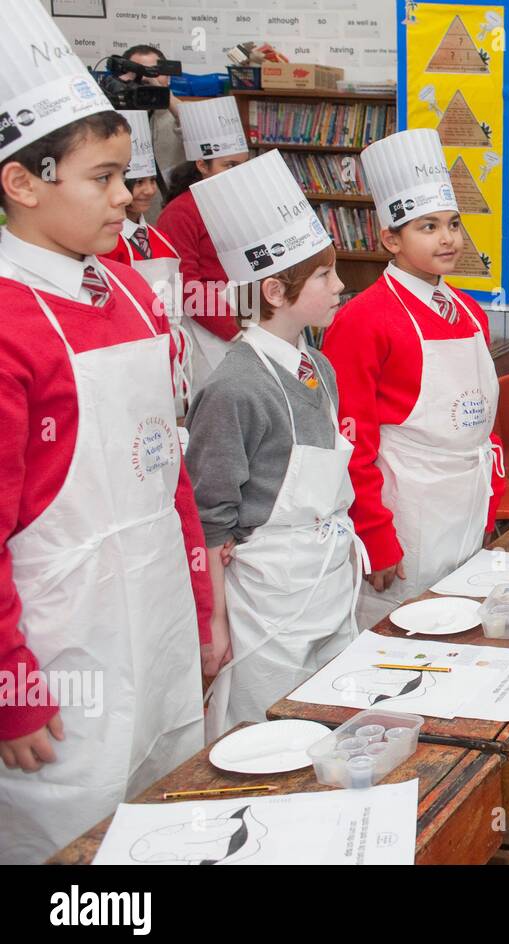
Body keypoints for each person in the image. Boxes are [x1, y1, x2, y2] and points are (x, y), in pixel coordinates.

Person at [0, 0, 211, 865]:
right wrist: (11, 687)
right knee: (75, 848)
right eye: (102, 178)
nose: (128, 197)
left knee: (166, 812)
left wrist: (202, 605)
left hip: (158, 617)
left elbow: (173, 470)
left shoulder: (129, 293)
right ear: (21, 182)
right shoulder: (8, 319)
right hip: (62, 648)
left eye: (127, 174)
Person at [185, 151, 363, 741]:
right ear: (276, 290)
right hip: (268, 595)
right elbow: (209, 515)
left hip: (328, 575)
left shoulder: (320, 364)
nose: (340, 286)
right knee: (265, 734)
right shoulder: (235, 387)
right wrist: (214, 623)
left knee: (332, 718)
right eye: (323, 277)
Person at [323, 129, 505, 629]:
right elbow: (350, 441)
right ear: (390, 239)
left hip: (468, 500)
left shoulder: (470, 311)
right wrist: (375, 535)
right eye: (427, 227)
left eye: (453, 224)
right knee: (406, 634)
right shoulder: (363, 319)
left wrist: (492, 495)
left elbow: (487, 423)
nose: (447, 238)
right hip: (408, 513)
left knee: (467, 625)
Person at [157, 96, 251, 394]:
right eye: (229, 165)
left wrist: (253, 324)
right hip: (204, 329)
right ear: (202, 164)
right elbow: (184, 284)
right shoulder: (179, 213)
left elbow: (249, 271)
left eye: (242, 166)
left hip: (246, 318)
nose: (237, 174)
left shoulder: (242, 206)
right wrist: (235, 331)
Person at [100, 110, 189, 415]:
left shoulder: (160, 238)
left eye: (152, 180)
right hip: (130, 350)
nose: (148, 190)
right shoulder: (106, 244)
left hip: (169, 345)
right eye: (137, 182)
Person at [116, 44, 187, 223]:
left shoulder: (177, 114)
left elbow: (201, 129)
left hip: (169, 220)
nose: (146, 78)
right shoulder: (112, 118)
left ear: (168, 78)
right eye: (139, 71)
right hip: (123, 221)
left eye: (154, 71)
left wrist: (161, 92)